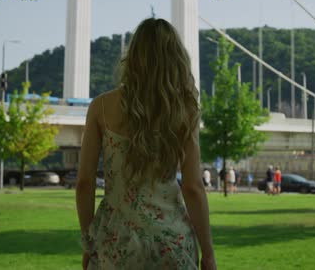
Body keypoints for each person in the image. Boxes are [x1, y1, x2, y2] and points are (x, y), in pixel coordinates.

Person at [75, 18, 216, 270]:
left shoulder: (101, 107)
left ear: (133, 56)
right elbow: (193, 187)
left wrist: (89, 244)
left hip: (115, 243)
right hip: (172, 241)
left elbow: (85, 184)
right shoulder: (185, 109)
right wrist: (208, 254)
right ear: (176, 58)